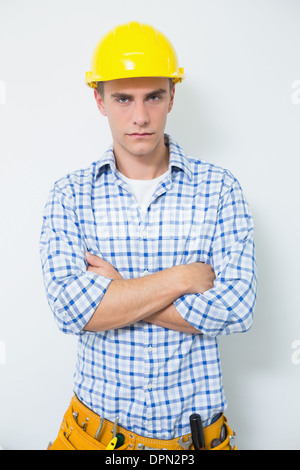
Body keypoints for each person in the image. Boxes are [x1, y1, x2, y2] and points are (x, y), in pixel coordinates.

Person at [40, 21, 257, 451]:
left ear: (172, 96)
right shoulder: (70, 194)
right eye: (123, 98)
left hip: (196, 444)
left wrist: (116, 293)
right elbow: (70, 310)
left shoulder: (220, 189)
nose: (140, 116)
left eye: (153, 96)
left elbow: (237, 309)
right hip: (91, 438)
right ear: (99, 99)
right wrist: (183, 278)